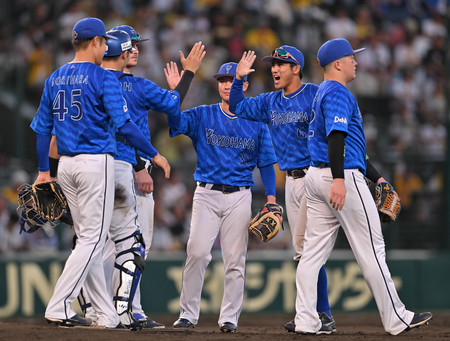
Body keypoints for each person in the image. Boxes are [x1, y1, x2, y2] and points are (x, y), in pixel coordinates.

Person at [30, 17, 177, 329]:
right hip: (96, 162)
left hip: (66, 166)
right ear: (97, 42)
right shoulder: (103, 78)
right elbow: (124, 125)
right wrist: (154, 154)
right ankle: (60, 306)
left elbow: (43, 130)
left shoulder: (54, 77)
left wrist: (45, 171)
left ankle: (104, 312)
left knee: (88, 239)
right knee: (93, 240)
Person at [295, 38, 432, 335]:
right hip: (338, 176)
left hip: (317, 177)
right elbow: (336, 139)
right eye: (351, 57)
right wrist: (341, 180)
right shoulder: (338, 92)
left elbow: (352, 146)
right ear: (337, 64)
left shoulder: (321, 92)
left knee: (312, 254)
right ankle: (397, 318)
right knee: (372, 248)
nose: (356, 61)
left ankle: (306, 320)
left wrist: (378, 178)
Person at [229, 46, 334, 333]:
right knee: (301, 252)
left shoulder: (315, 94)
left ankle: (319, 314)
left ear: (296, 68)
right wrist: (238, 79)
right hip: (291, 181)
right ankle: (314, 315)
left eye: (281, 64)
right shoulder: (270, 101)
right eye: (273, 64)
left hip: (317, 175)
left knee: (310, 250)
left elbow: (338, 131)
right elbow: (237, 106)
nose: (274, 68)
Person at [170, 62, 279, 333]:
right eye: (223, 80)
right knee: (196, 252)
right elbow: (174, 124)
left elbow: (266, 163)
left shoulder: (256, 123)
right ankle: (187, 314)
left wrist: (271, 198)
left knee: (235, 259)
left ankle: (229, 317)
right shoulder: (204, 114)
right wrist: (174, 96)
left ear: (245, 86)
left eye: (233, 80)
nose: (227, 85)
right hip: (206, 193)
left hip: (239, 196)